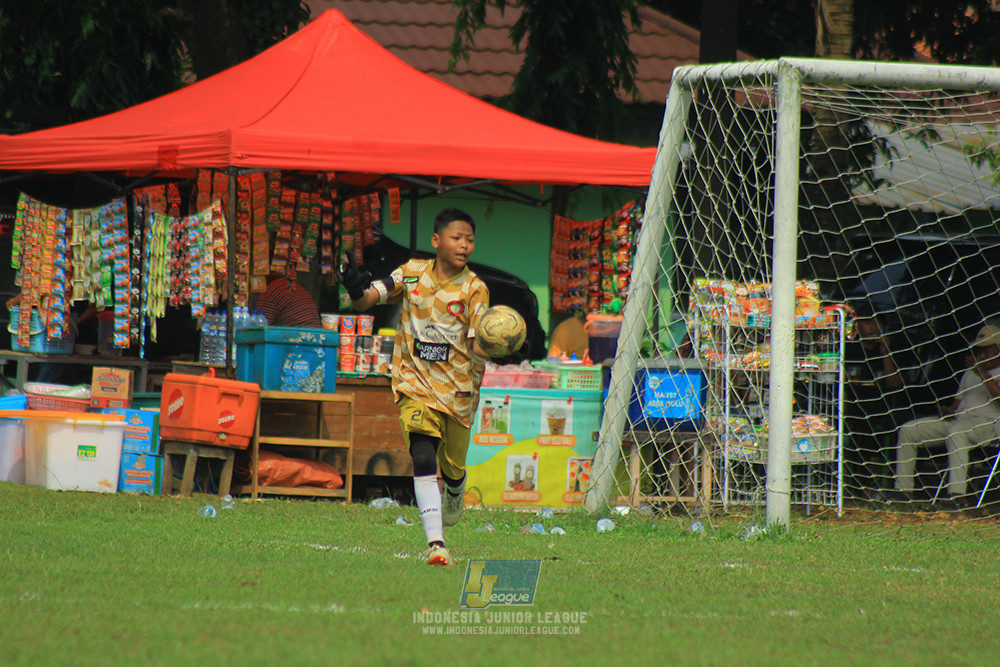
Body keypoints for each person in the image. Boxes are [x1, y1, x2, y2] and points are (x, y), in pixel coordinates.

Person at [340, 207, 490, 567]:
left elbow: (480, 346)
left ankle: (455, 487)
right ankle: (436, 544)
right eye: (457, 237)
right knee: (422, 455)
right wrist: (354, 287)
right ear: (436, 241)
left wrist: (496, 339)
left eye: (470, 239)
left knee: (452, 468)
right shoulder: (410, 274)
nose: (464, 245)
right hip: (413, 383)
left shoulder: (475, 289)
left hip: (458, 392)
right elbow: (367, 300)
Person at [892, 324, 1000, 508]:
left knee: (957, 431)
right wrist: (948, 410)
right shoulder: (969, 373)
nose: (981, 356)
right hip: (959, 421)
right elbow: (957, 404)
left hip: (989, 424)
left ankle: (957, 495)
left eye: (987, 351)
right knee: (909, 429)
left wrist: (983, 374)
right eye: (979, 351)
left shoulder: (985, 372)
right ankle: (904, 491)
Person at [843, 308, 905, 500]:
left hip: (880, 404)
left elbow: (895, 383)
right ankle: (859, 484)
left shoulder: (888, 348)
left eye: (877, 322)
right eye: (868, 322)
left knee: (872, 423)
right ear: (857, 325)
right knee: (860, 422)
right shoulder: (849, 348)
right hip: (852, 402)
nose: (874, 327)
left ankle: (872, 485)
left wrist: (885, 352)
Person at [255, 274, 322, 328]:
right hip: (316, 337)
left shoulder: (270, 291)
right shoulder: (290, 285)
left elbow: (259, 328)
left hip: (297, 338)